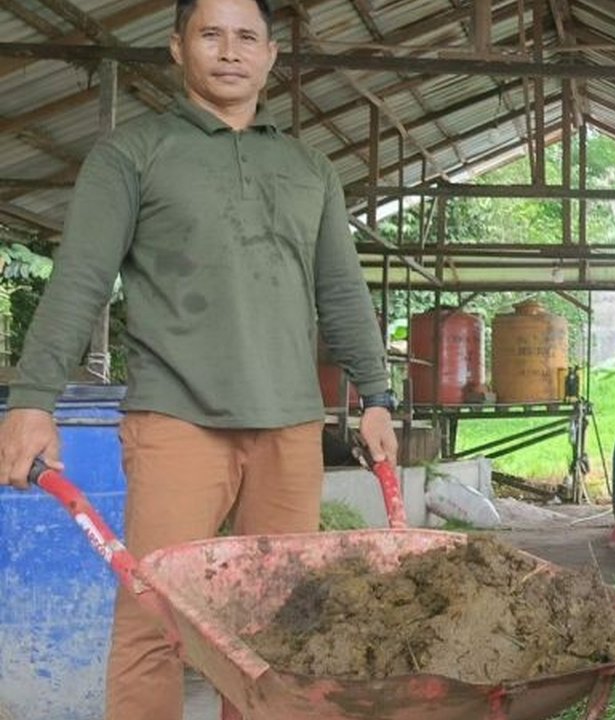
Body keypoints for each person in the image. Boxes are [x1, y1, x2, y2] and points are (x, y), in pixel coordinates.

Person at [0, 0, 397, 717]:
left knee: (279, 626)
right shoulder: (133, 152)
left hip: (290, 429)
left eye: (247, 36)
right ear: (177, 47)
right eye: (209, 34)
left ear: (271, 55)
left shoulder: (309, 166)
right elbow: (81, 279)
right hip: (177, 420)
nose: (229, 51)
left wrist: (376, 394)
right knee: (159, 618)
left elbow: (341, 290)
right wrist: (32, 401)